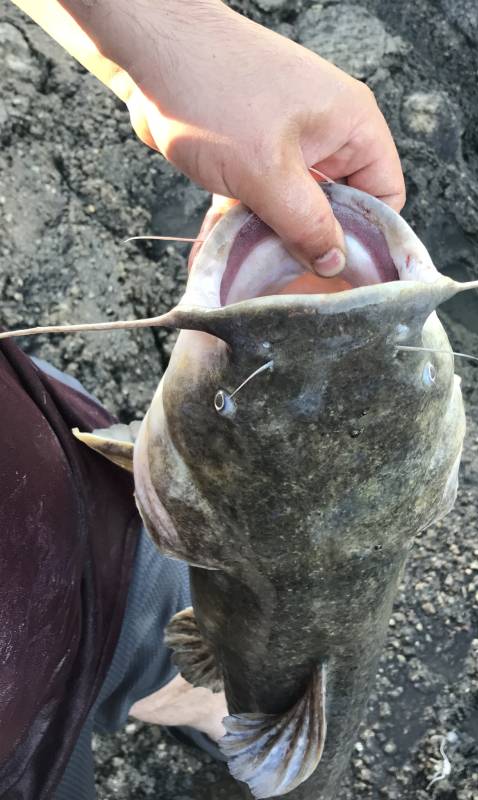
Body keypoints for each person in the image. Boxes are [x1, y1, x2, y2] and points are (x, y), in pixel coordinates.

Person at [2, 1, 405, 798]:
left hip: (49, 485)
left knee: (152, 611)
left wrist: (163, 34)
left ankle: (182, 690)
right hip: (18, 737)